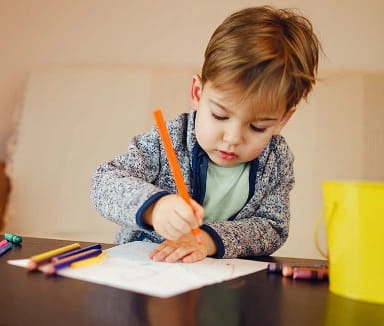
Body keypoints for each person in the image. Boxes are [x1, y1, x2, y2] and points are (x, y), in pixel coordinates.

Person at [91, 6, 320, 263]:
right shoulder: (168, 140)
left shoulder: (276, 161)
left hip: (222, 284)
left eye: (257, 127)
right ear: (197, 93)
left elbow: (272, 227)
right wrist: (155, 208)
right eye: (220, 116)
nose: (233, 138)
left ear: (284, 119)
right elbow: (104, 183)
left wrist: (208, 239)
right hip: (145, 273)